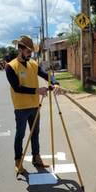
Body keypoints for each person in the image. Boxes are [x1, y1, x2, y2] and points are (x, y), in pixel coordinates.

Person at [5, 35, 62, 174]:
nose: (30, 54)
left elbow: (45, 74)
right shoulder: (11, 67)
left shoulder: (33, 64)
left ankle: (36, 157)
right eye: (28, 51)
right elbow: (17, 88)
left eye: (31, 51)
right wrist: (37, 90)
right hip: (21, 107)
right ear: (20, 50)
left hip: (35, 106)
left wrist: (55, 83)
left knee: (35, 133)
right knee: (20, 135)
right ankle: (18, 161)